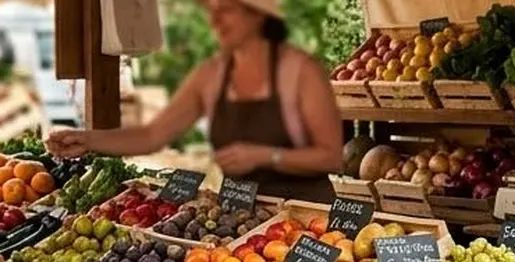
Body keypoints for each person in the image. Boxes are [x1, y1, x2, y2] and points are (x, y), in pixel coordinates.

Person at [46, 0, 341, 201]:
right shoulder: (211, 75)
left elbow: (330, 157)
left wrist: (265, 156)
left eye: (225, 10)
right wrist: (88, 140)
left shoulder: (302, 71)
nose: (215, 20)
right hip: (241, 216)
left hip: (307, 218)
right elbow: (152, 136)